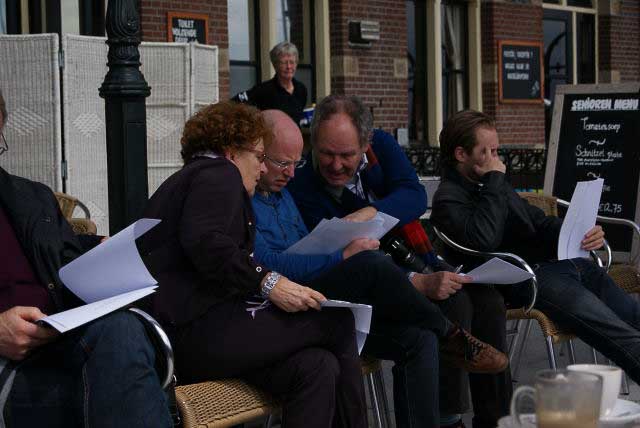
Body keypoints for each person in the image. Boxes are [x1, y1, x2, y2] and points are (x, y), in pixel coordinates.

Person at [252, 109, 508, 428]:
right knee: (372, 264)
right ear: (257, 154)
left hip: (345, 295)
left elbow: (414, 197)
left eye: (295, 162)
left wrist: (369, 215)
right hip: (297, 304)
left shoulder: (285, 191)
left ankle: (483, 408)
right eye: (282, 163)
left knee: (423, 337)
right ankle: (451, 337)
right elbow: (268, 264)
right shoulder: (272, 192)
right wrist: (341, 256)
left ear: (364, 145)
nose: (291, 172)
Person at [137, 101, 367, 427]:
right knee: (339, 322)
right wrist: (269, 282)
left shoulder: (188, 179)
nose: (261, 169)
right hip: (194, 331)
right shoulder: (218, 174)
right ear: (232, 152)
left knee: (317, 367)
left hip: (183, 337)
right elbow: (207, 242)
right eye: (259, 157)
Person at [0, 88, 172, 427]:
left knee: (124, 329)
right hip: (10, 367)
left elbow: (60, 252)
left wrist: (101, 251)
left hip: (60, 340)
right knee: (130, 382)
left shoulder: (29, 197)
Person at [431, 109, 640, 384]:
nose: (496, 160)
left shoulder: (491, 183)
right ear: (461, 154)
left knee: (632, 314)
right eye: (487, 152)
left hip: (559, 265)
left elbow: (537, 222)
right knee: (616, 332)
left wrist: (579, 233)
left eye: (496, 151)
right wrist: (494, 181)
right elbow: (483, 239)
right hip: (526, 278)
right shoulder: (449, 198)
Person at [232, 41, 308, 126]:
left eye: (292, 62)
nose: (289, 67)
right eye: (284, 62)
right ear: (275, 65)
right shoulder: (264, 90)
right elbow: (234, 102)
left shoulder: (301, 89)